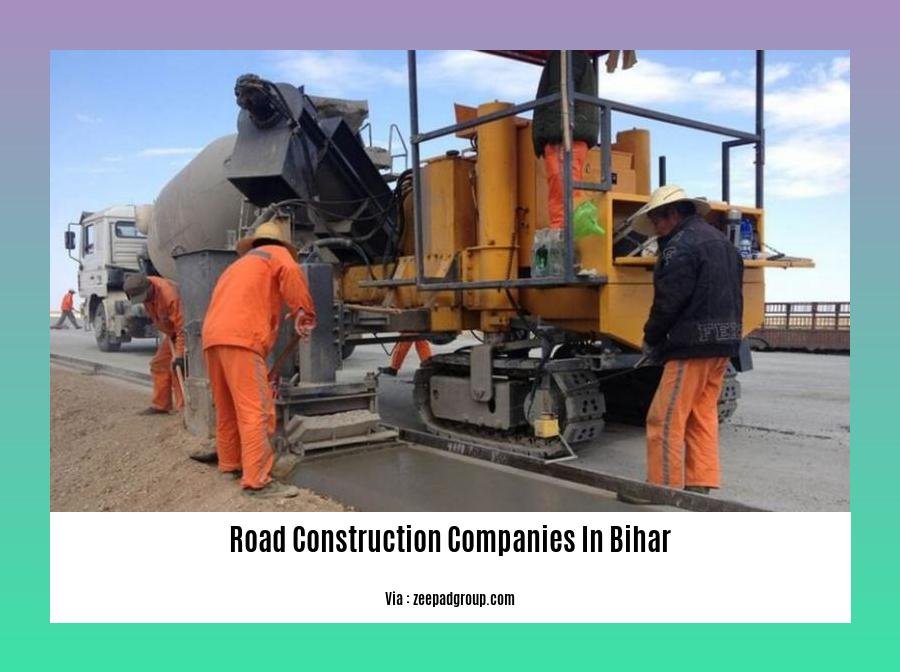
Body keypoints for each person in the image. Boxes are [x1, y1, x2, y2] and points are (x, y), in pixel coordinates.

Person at [622, 185, 743, 502]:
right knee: (701, 414)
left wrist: (651, 338)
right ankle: (699, 482)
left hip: (692, 347)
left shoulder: (679, 247)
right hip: (724, 343)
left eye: (657, 221)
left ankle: (661, 487)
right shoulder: (723, 243)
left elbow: (668, 301)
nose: (656, 229)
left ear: (672, 214)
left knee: (663, 418)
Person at [202, 220, 316, 499]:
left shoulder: (238, 265)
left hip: (213, 338)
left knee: (227, 406)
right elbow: (292, 272)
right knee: (257, 411)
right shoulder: (277, 254)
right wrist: (304, 312)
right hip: (242, 337)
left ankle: (230, 463)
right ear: (279, 243)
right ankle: (257, 481)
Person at [531, 50, 599, 231]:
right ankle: (565, 231)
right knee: (563, 187)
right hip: (569, 131)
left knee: (562, 188)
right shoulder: (576, 58)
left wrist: (542, 135)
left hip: (563, 132)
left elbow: (558, 92)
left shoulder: (565, 56)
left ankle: (563, 233)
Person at [123, 273, 186, 415]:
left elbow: (182, 328)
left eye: (143, 297)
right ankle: (161, 405)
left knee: (177, 367)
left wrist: (179, 355)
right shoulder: (145, 292)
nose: (142, 301)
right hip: (172, 334)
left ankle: (184, 410)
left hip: (185, 334)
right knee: (158, 364)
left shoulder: (169, 295)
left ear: (149, 288)